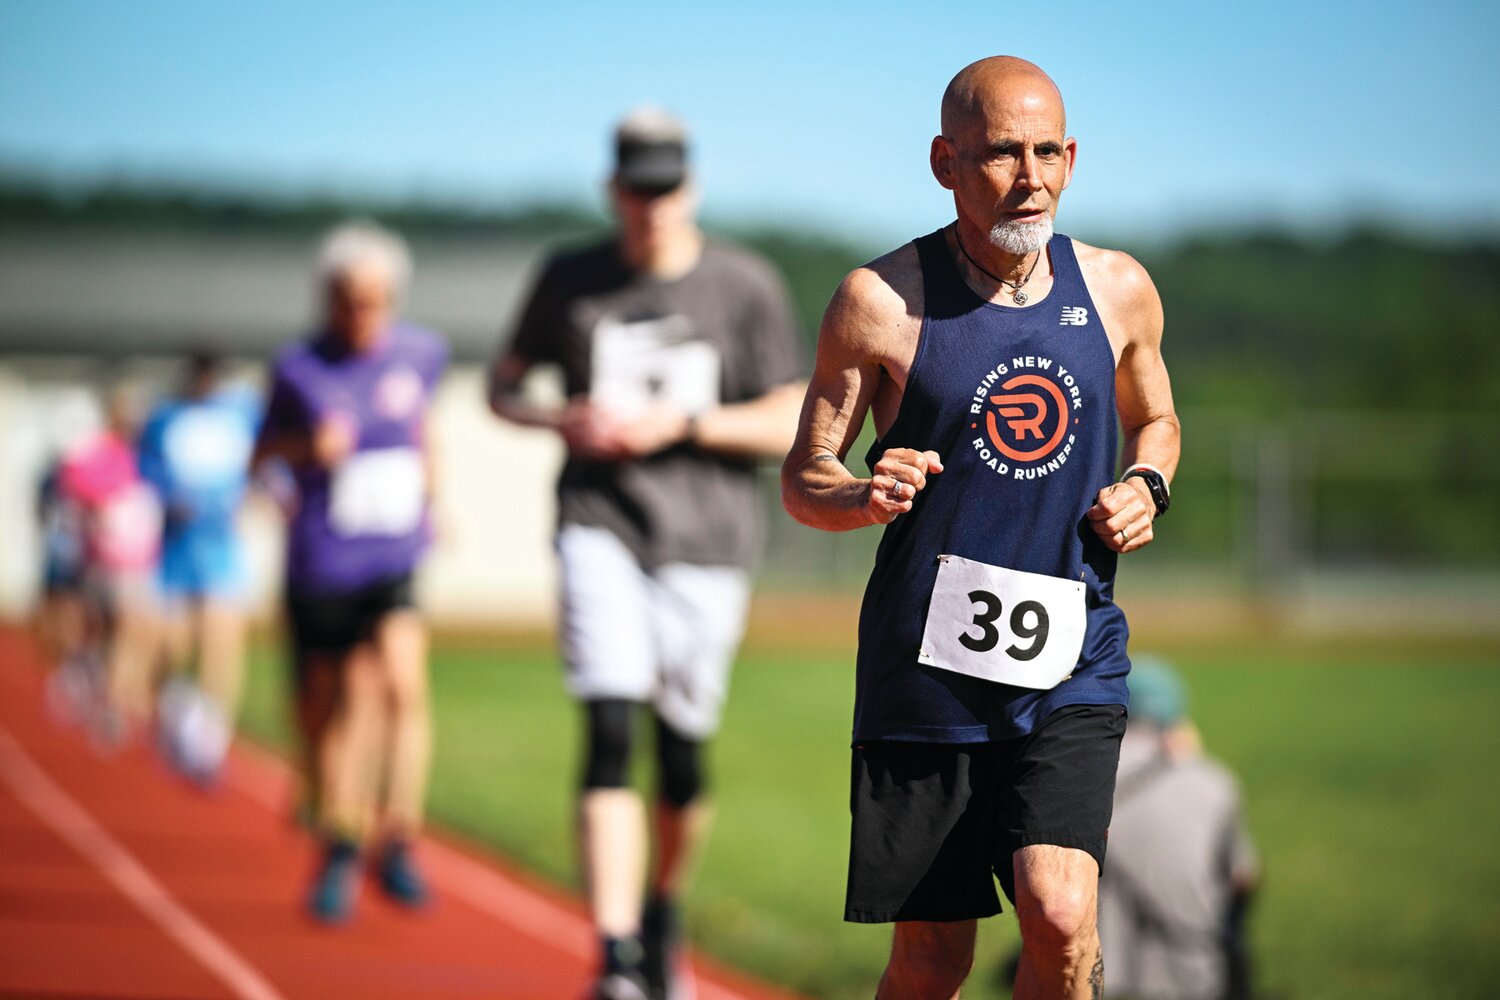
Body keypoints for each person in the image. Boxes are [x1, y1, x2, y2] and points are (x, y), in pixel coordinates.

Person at [781, 56, 1181, 999]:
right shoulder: (879, 302)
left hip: (1072, 654)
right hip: (925, 673)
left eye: (1048, 151)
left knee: (1059, 912)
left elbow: (1156, 420)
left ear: (1073, 159)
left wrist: (1147, 485)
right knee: (933, 960)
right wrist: (862, 493)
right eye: (1002, 152)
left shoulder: (1119, 287)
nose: (1030, 174)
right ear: (945, 161)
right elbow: (806, 477)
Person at [488, 107, 804, 1000]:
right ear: (612, 190)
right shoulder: (569, 279)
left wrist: (688, 423)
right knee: (609, 727)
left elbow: (790, 417)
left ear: (691, 188)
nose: (653, 207)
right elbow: (501, 388)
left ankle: (664, 906)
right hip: (600, 522)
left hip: (707, 539)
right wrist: (562, 418)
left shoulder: (744, 285)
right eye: (638, 190)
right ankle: (617, 953)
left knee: (680, 752)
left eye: (668, 188)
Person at [253, 220, 448, 923]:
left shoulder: (423, 353)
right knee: (331, 705)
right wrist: (307, 447)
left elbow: (425, 428)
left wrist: (436, 497)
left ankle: (399, 834)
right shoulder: (297, 367)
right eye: (349, 301)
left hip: (394, 548)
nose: (364, 314)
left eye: (376, 300)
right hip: (324, 555)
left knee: (402, 681)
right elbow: (260, 456)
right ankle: (340, 834)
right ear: (328, 298)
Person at [1097, 659, 1259, 1000]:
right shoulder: (1214, 782)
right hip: (1190, 976)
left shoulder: (1080, 781)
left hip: (1095, 976)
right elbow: (1243, 880)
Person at [137, 346, 260, 785]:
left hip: (221, 547)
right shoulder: (165, 417)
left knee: (220, 644)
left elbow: (268, 461)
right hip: (175, 548)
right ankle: (175, 716)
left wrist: (264, 492)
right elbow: (144, 468)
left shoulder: (243, 415)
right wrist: (170, 499)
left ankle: (211, 742)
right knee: (169, 646)